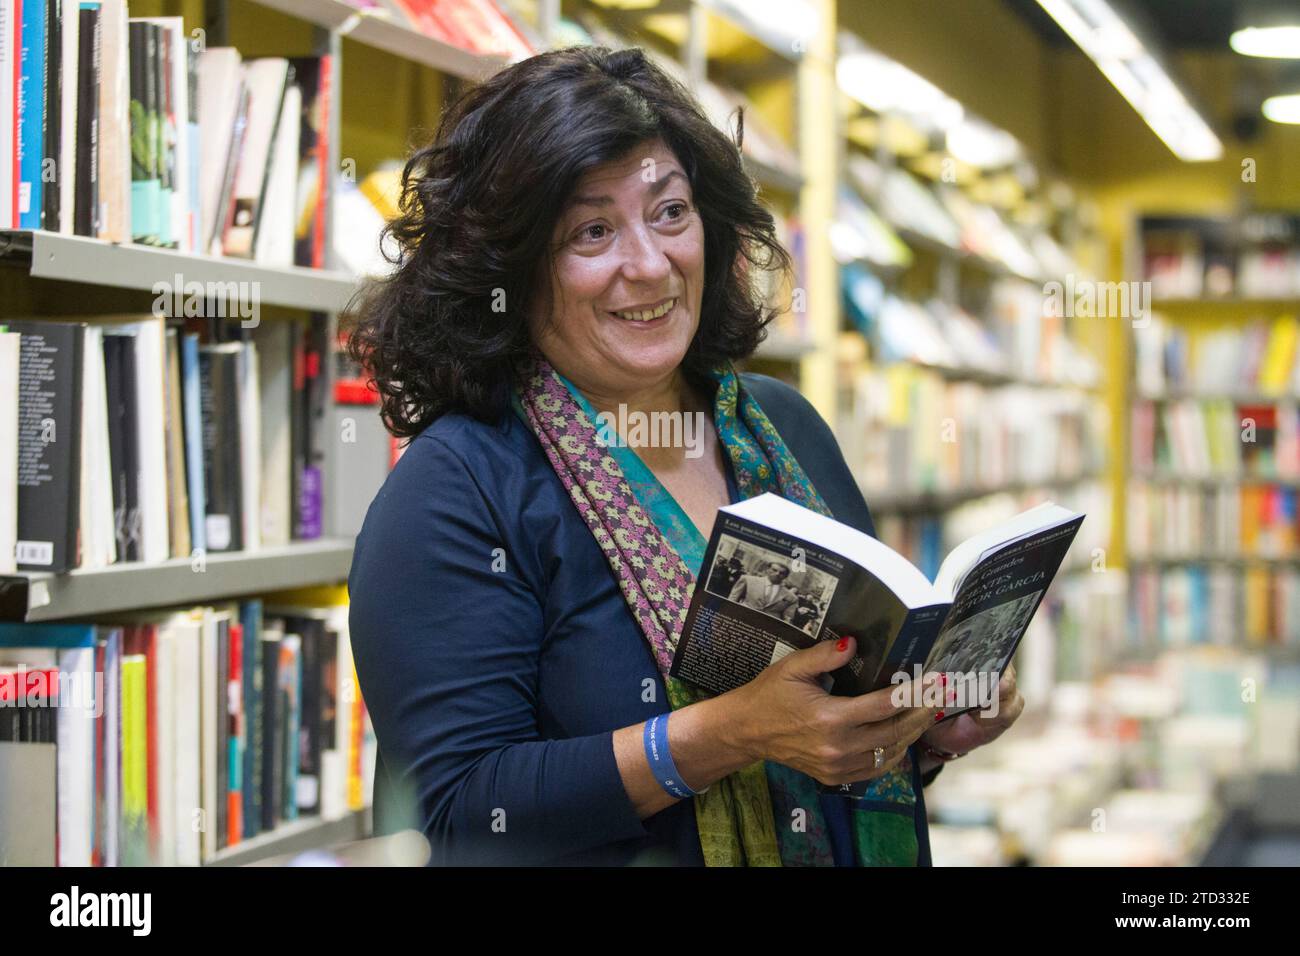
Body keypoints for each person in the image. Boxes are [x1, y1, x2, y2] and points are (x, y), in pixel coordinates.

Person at [346, 45, 1025, 867]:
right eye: (593, 231)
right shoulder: (459, 487)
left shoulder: (785, 428)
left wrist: (924, 728)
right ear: (512, 266)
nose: (650, 263)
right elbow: (459, 811)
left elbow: (834, 741)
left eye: (670, 213)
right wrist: (721, 736)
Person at [729, 561, 797, 618]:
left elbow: (788, 619)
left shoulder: (791, 597)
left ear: (785, 576)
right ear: (767, 570)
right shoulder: (748, 580)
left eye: (782, 573)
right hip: (742, 618)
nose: (777, 574)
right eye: (774, 570)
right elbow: (732, 600)